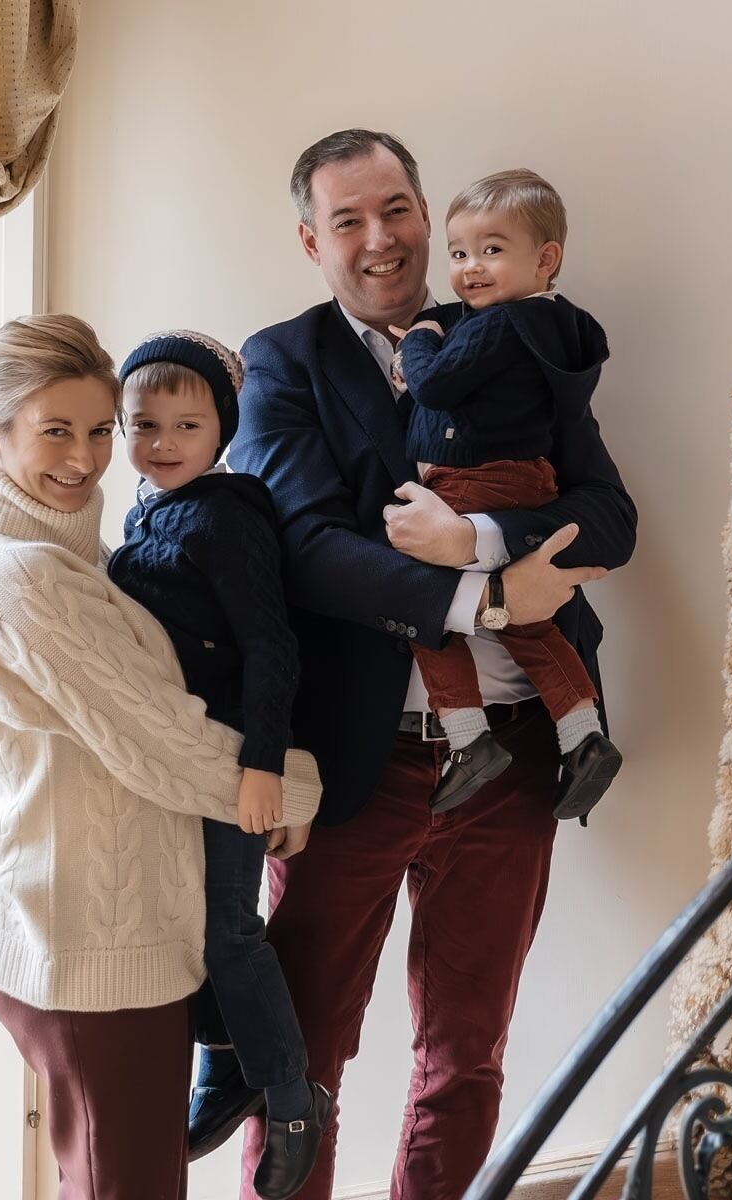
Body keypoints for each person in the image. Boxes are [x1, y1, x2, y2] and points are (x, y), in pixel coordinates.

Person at [208, 130, 637, 1200]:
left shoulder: (522, 340)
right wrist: (482, 598)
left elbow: (606, 513)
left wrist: (486, 542)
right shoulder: (281, 361)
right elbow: (307, 546)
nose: (381, 237)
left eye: (395, 208)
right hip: (355, 767)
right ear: (313, 241)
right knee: (301, 1059)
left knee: (466, 1055)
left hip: (517, 759)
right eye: (348, 219)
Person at [0, 315, 322, 1200]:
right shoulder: (24, 577)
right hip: (91, 951)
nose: (86, 457)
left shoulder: (41, 548)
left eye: (101, 430)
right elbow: (161, 743)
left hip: (65, 929)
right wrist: (294, 789)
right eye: (55, 431)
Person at [107, 330, 331, 1200]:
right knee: (193, 926)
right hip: (182, 753)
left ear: (222, 432)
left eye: (185, 425)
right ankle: (229, 1071)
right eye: (142, 423)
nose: (161, 441)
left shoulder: (226, 516)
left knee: (228, 929)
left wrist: (265, 769)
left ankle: (290, 1098)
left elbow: (272, 648)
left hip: (230, 757)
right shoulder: (149, 507)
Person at [390, 168, 623, 818]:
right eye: (459, 252)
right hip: (514, 480)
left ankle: (470, 742)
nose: (469, 269)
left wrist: (418, 342)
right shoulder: (541, 328)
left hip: (477, 485)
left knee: (424, 608)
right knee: (524, 618)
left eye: (491, 250)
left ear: (545, 259)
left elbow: (436, 386)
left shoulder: (501, 325)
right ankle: (584, 735)